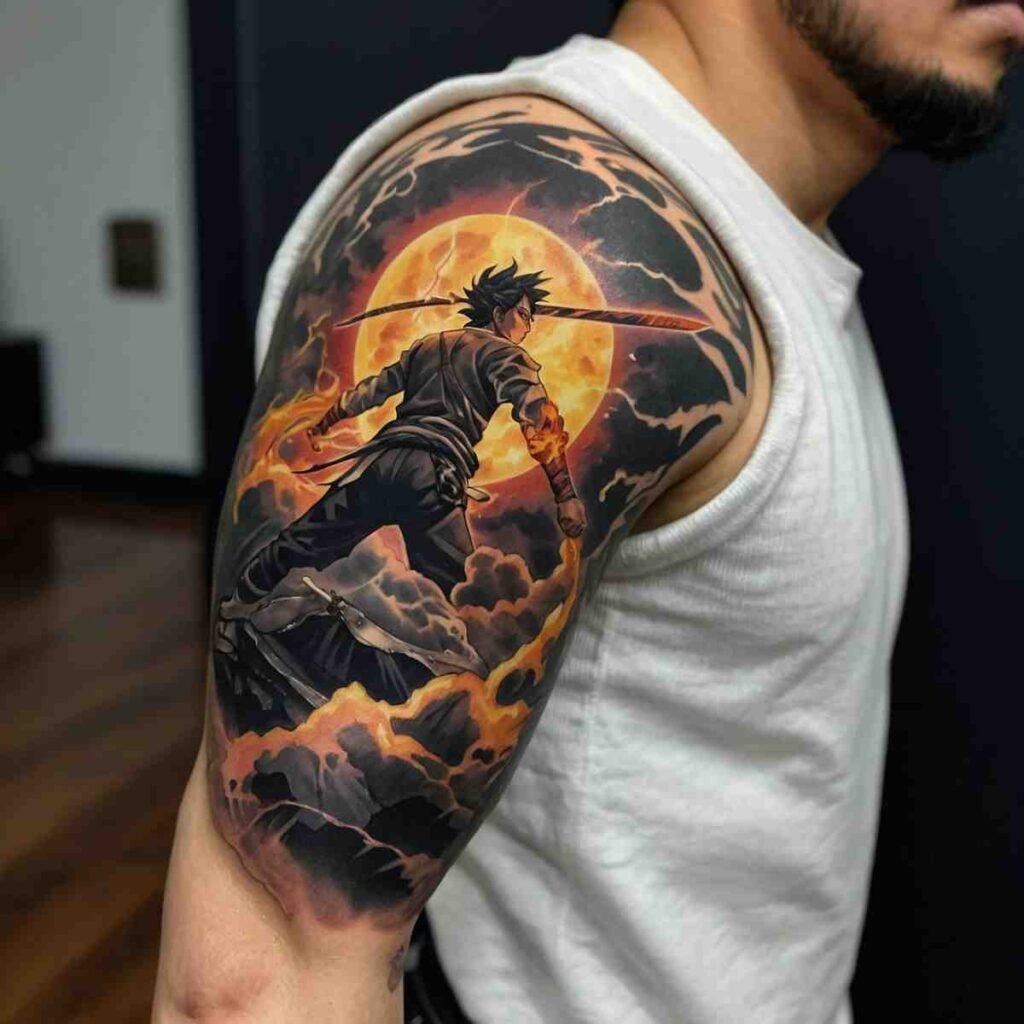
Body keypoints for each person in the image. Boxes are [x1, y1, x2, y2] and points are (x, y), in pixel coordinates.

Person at [154, 2, 1020, 1022]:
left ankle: (314, 622)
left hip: (396, 464)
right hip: (431, 480)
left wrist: (336, 423)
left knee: (325, 542)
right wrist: (561, 498)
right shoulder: (582, 209)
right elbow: (259, 979)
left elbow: (377, 391)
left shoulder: (740, 233)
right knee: (432, 580)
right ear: (515, 311)